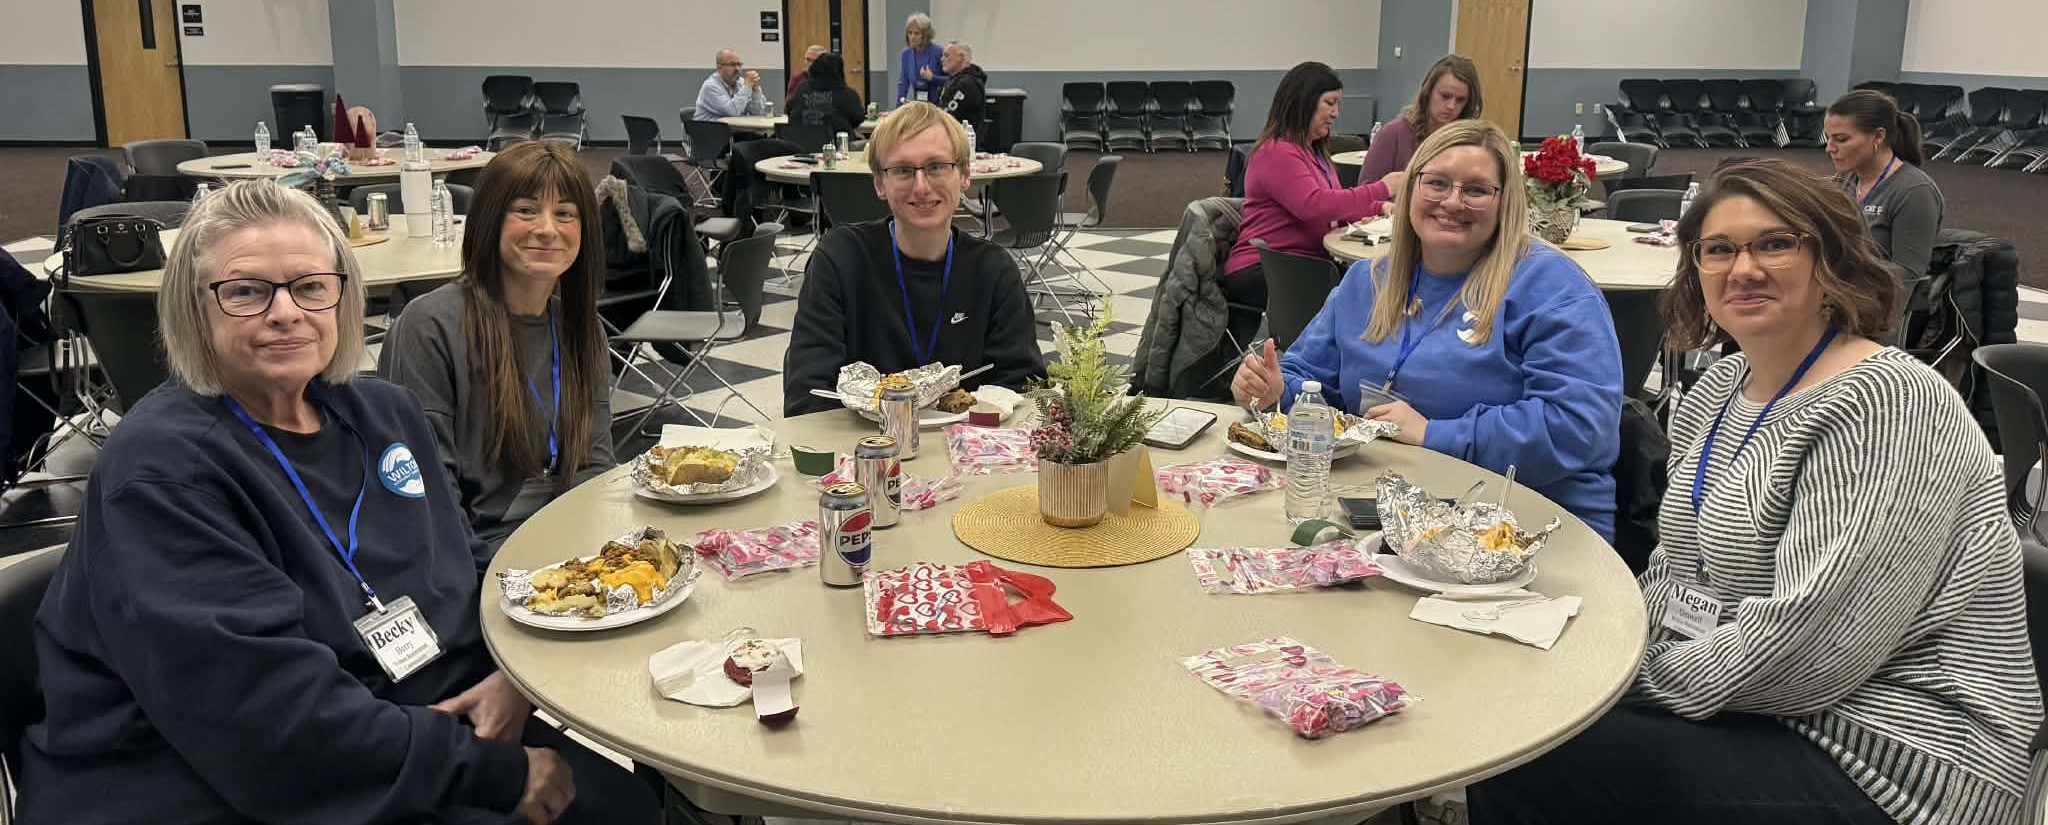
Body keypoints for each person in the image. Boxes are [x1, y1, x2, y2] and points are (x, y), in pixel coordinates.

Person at [16, 180, 658, 825]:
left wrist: (512, 677)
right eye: (245, 292)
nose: (286, 312)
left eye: (311, 286)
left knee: (633, 796)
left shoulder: (380, 412)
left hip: (411, 716)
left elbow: (457, 564)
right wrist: (489, 769)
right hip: (214, 778)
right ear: (194, 310)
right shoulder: (164, 472)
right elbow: (259, 718)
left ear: (342, 298)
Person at [1463, 157, 2041, 825]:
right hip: (1756, 701)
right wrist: (1590, 647)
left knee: (1532, 756)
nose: (1744, 268)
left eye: (1775, 243)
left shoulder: (1886, 403)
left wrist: (1617, 679)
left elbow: (1813, 650)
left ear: (1832, 259)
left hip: (1892, 752)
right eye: (1719, 249)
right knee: (1526, 715)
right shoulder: (1719, 388)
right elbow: (1675, 570)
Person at [1230, 119, 1623, 540]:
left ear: (1506, 202)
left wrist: (1436, 434)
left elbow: (1580, 428)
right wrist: (1276, 392)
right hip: (1392, 510)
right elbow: (1308, 380)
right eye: (1436, 183)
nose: (1452, 202)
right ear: (1411, 188)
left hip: (1529, 522)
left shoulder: (1551, 289)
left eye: (1475, 190)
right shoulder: (1368, 281)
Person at [378, 141, 615, 554]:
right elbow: (428, 497)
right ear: (490, 220)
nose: (547, 228)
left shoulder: (581, 327)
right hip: (475, 557)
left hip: (570, 546)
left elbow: (594, 464)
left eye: (565, 213)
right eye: (525, 210)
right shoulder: (429, 328)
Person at [782, 101, 1044, 416]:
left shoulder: (993, 270)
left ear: (964, 175)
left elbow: (1024, 389)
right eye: (903, 170)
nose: (921, 187)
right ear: (880, 183)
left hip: (970, 453)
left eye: (936, 166)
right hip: (861, 453)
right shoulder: (841, 259)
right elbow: (807, 394)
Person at [1221, 61, 1402, 317]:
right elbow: (1314, 206)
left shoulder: (1314, 154)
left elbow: (1334, 207)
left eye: (1338, 104)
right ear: (1303, 102)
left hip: (1304, 265)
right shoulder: (1277, 152)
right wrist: (1382, 188)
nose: (1336, 113)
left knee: (1374, 285)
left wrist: (1380, 207)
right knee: (1364, 298)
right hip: (1267, 268)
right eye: (1329, 103)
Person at [1825, 89, 1945, 281]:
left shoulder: (1914, 192)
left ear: (1878, 137)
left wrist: (1839, 270)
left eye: (1841, 139)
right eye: (1828, 138)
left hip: (1874, 300)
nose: (1829, 148)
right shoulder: (1843, 181)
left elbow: (1908, 274)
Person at [1359, 54, 1483, 185]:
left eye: (1460, 100)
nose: (1451, 106)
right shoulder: (1393, 134)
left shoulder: (1469, 142)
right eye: (1445, 96)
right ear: (1428, 92)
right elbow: (1366, 193)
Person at [787, 52, 867, 137]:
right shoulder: (847, 94)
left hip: (799, 145)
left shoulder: (801, 88)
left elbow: (789, 110)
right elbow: (858, 118)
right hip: (837, 146)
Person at [936, 41, 988, 140]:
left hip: (961, 143)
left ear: (961, 58)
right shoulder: (954, 80)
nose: (942, 59)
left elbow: (947, 116)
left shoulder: (965, 84)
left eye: (947, 56)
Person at [694, 47, 764, 121]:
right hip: (710, 130)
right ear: (719, 67)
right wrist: (747, 87)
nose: (737, 69)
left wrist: (755, 90)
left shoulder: (741, 83)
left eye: (739, 64)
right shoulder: (711, 86)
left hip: (734, 130)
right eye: (732, 65)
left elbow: (758, 113)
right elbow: (732, 112)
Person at [897, 12, 946, 104]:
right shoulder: (906, 54)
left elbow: (951, 80)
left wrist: (933, 78)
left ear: (926, 35)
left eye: (916, 33)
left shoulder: (939, 51)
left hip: (938, 105)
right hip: (918, 103)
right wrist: (898, 110)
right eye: (910, 33)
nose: (912, 37)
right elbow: (903, 83)